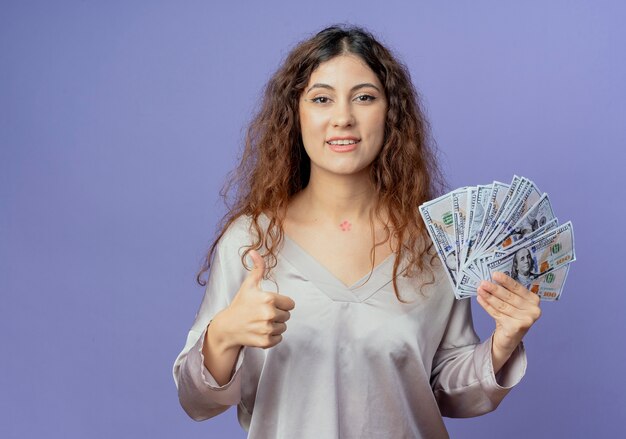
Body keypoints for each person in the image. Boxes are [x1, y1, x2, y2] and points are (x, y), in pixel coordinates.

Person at [172, 25, 542, 438]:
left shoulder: (434, 244)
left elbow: (447, 390)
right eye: (321, 99)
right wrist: (222, 336)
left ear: (390, 113)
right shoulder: (250, 242)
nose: (343, 118)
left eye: (364, 97)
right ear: (296, 114)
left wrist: (501, 345)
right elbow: (196, 400)